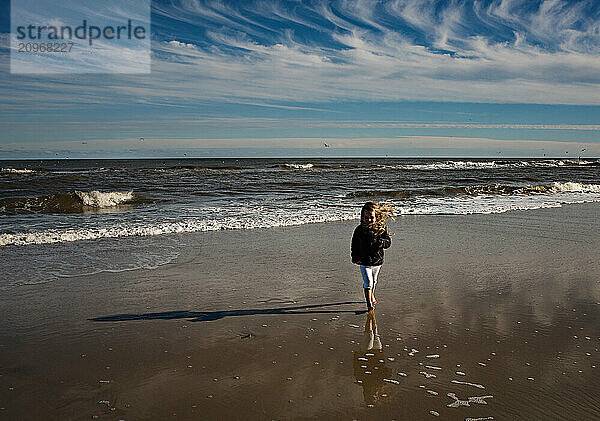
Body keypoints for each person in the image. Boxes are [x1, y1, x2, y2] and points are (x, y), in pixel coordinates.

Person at [351, 201, 393, 311]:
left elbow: (388, 242)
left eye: (371, 217)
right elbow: (354, 245)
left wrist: (383, 242)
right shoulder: (359, 230)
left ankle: (371, 295)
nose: (368, 220)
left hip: (377, 261)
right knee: (368, 282)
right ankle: (369, 304)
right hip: (364, 261)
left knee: (374, 281)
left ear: (376, 217)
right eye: (366, 217)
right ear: (362, 217)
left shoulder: (380, 228)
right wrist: (355, 258)